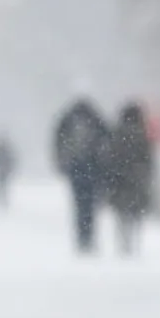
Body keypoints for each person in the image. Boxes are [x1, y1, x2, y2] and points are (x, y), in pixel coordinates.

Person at [53, 96, 111, 254]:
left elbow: (58, 141)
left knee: (79, 204)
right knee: (90, 205)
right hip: (92, 169)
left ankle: (82, 237)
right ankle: (89, 236)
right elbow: (107, 142)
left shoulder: (67, 120)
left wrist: (62, 164)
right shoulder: (96, 119)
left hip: (75, 169)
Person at [103, 100, 156, 257]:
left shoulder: (116, 135)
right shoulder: (143, 136)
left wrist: (110, 179)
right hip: (137, 183)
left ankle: (123, 245)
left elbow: (109, 160)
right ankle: (134, 244)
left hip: (120, 183)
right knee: (135, 215)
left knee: (121, 216)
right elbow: (149, 161)